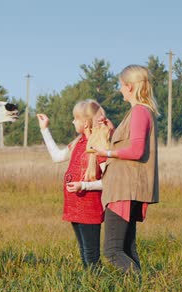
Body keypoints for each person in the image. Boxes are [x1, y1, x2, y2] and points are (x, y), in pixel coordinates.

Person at [91, 65, 160, 274]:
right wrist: (112, 132)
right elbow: (130, 144)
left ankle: (141, 287)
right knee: (127, 248)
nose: (120, 89)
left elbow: (137, 151)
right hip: (129, 187)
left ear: (129, 87)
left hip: (124, 188)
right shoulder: (140, 112)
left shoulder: (139, 111)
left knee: (112, 251)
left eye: (121, 85)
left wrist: (106, 153)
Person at [36, 100, 111, 269]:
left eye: (75, 118)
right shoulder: (78, 142)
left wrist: (83, 186)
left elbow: (109, 182)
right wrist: (44, 129)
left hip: (90, 209)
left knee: (91, 255)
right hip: (74, 207)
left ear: (85, 122)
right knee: (84, 252)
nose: (72, 122)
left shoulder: (99, 146)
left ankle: (98, 288)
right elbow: (57, 157)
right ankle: (90, 288)